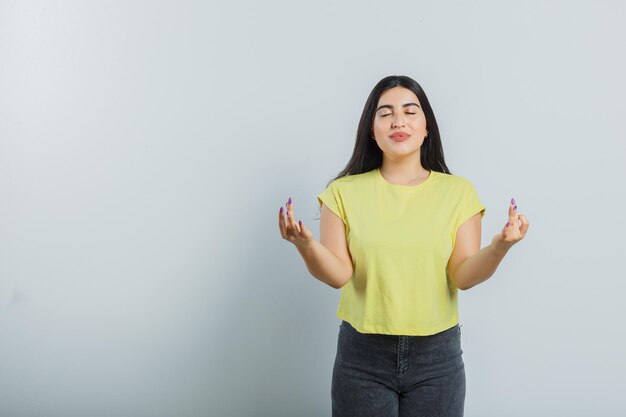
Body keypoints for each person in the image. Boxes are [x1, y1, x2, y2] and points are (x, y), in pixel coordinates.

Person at [277, 75, 529, 417]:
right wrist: (304, 244)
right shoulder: (342, 193)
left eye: (410, 111)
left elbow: (463, 275)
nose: (398, 121)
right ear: (371, 129)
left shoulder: (458, 193)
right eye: (385, 113)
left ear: (427, 127)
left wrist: (500, 246)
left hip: (437, 358)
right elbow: (338, 274)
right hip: (361, 357)